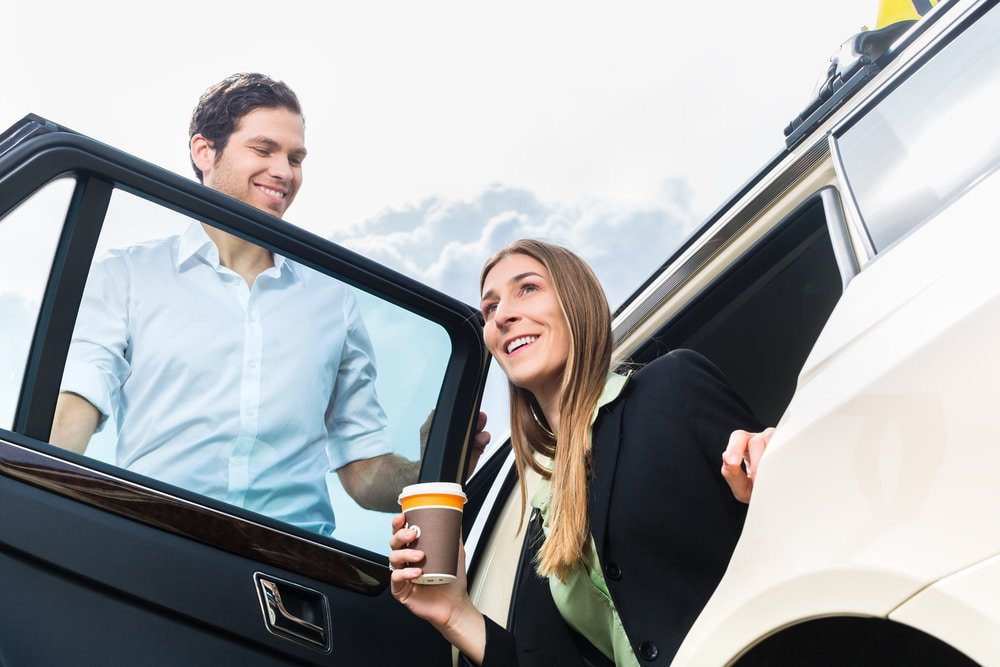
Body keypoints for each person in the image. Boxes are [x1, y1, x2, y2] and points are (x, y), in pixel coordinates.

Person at [49, 73, 488, 535]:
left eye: (295, 157)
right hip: (154, 543)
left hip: (293, 570)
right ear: (204, 152)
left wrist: (431, 465)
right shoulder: (130, 275)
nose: (284, 171)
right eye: (264, 150)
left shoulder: (332, 299)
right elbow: (75, 405)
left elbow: (362, 471)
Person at [389, 239, 772, 666]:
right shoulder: (543, 507)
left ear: (576, 300)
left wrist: (777, 460)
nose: (503, 316)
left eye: (527, 288)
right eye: (490, 308)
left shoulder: (671, 388)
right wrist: (453, 612)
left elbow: (788, 511)